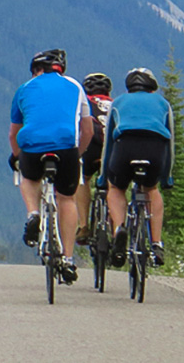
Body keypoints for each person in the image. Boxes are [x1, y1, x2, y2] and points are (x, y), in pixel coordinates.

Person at [9, 48, 93, 284]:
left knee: (28, 177)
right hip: (66, 148)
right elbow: (87, 130)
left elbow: (13, 133)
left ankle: (33, 213)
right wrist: (77, 154)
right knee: (67, 199)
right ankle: (67, 258)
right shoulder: (75, 87)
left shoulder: (24, 89)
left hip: (33, 148)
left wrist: (16, 156)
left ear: (36, 70)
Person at [97, 66, 174, 268]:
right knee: (152, 189)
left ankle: (119, 230)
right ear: (152, 88)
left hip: (125, 148)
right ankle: (156, 244)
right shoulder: (163, 104)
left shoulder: (118, 102)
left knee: (116, 189)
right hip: (155, 148)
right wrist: (167, 177)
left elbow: (108, 145)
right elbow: (170, 143)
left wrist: (103, 177)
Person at [75, 72, 113, 246]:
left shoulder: (84, 104)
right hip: (113, 149)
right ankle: (116, 227)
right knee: (115, 186)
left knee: (82, 179)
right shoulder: (116, 104)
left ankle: (83, 225)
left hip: (92, 146)